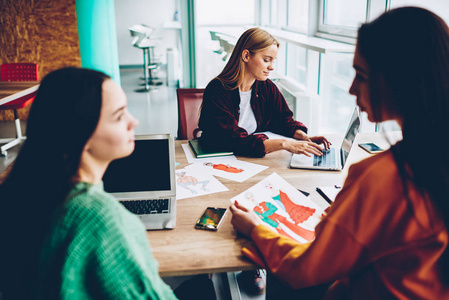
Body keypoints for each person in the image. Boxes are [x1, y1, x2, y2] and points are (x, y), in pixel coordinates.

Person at [230, 7, 449, 299]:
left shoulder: (380, 179)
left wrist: (255, 228)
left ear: (400, 80)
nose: (350, 89)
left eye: (361, 74)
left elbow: (303, 270)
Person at [0, 67, 213, 299]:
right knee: (204, 286)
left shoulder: (21, 191)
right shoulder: (101, 218)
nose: (134, 121)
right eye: (119, 115)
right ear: (81, 132)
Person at [198, 27, 331, 158]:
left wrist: (304, 137)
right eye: (266, 60)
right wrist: (284, 143)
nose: (271, 67)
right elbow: (231, 138)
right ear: (246, 56)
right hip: (219, 159)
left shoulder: (267, 87)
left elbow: (283, 120)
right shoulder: (217, 90)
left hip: (252, 159)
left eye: (273, 61)